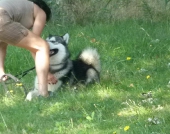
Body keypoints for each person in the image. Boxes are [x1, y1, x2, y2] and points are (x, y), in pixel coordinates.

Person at [0, 0, 57, 97]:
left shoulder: (21, 5)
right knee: (42, 46)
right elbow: (36, 47)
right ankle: (44, 94)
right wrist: (47, 73)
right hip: (2, 17)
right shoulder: (40, 12)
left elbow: (2, 46)